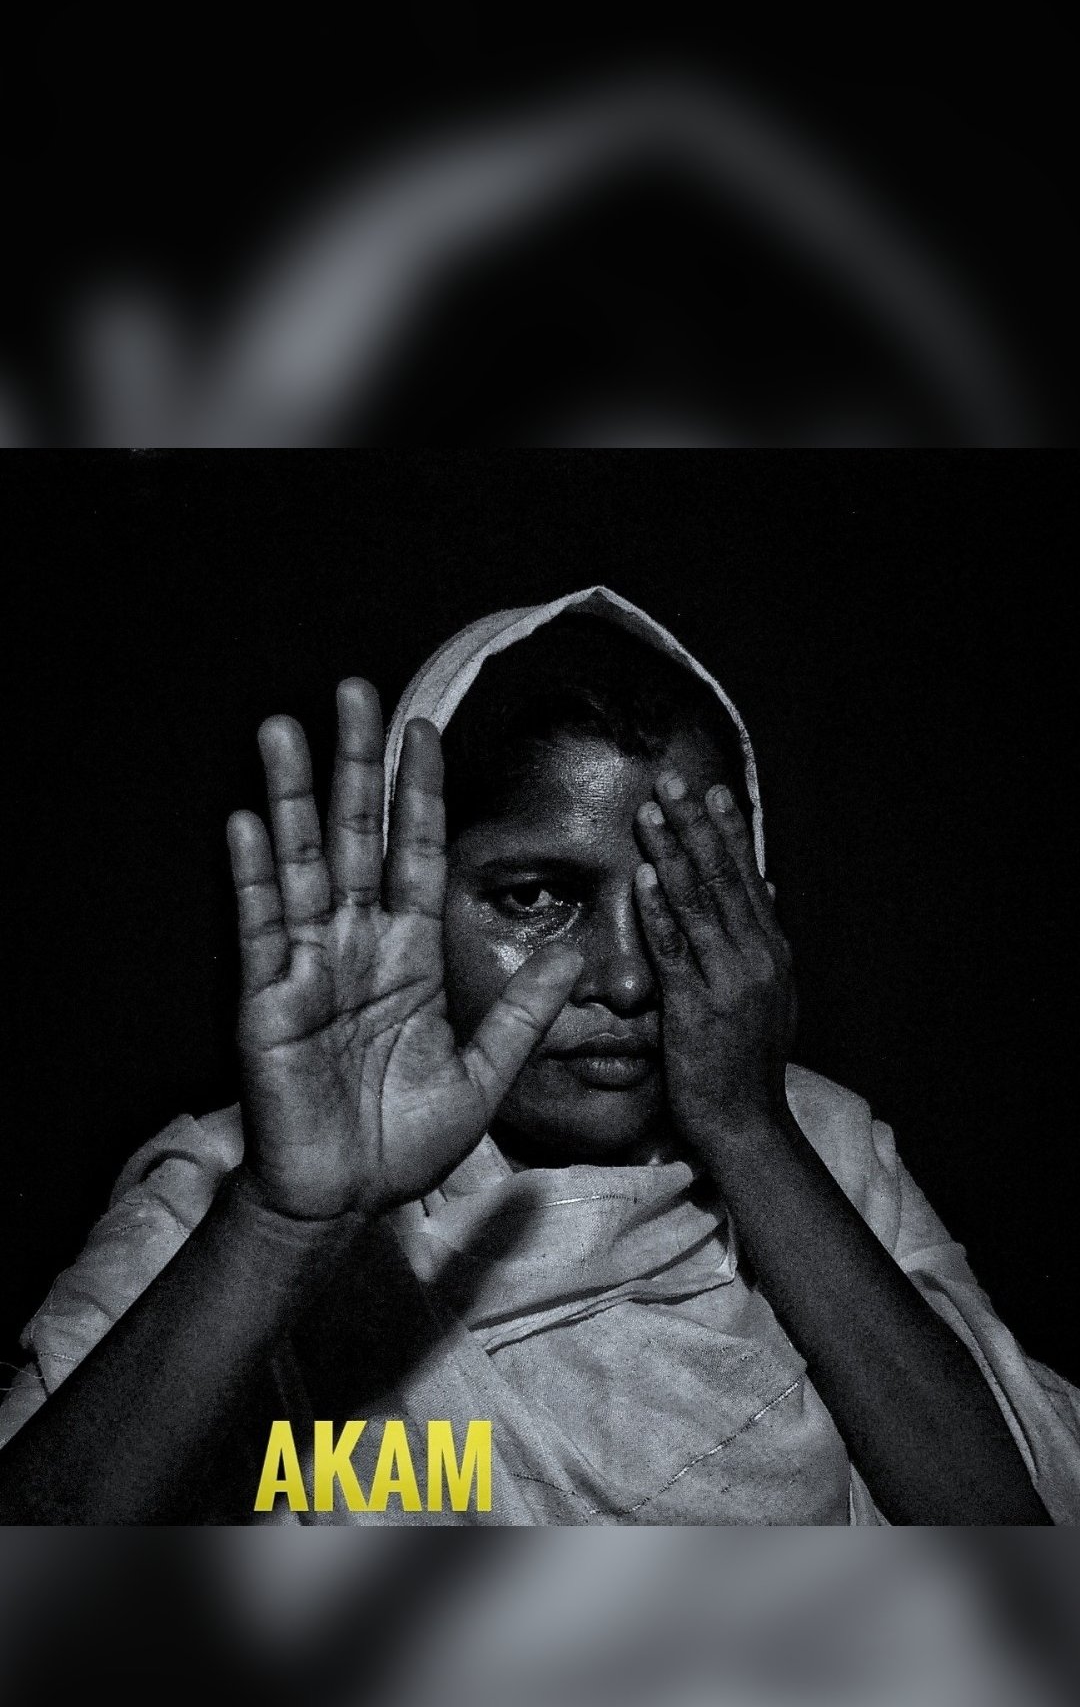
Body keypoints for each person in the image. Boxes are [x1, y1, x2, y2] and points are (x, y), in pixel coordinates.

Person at [1, 584, 1077, 1523]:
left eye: (681, 903)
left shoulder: (823, 1153)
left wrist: (750, 1133)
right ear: (407, 900)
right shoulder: (227, 1202)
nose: (626, 979)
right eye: (536, 898)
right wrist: (283, 1228)